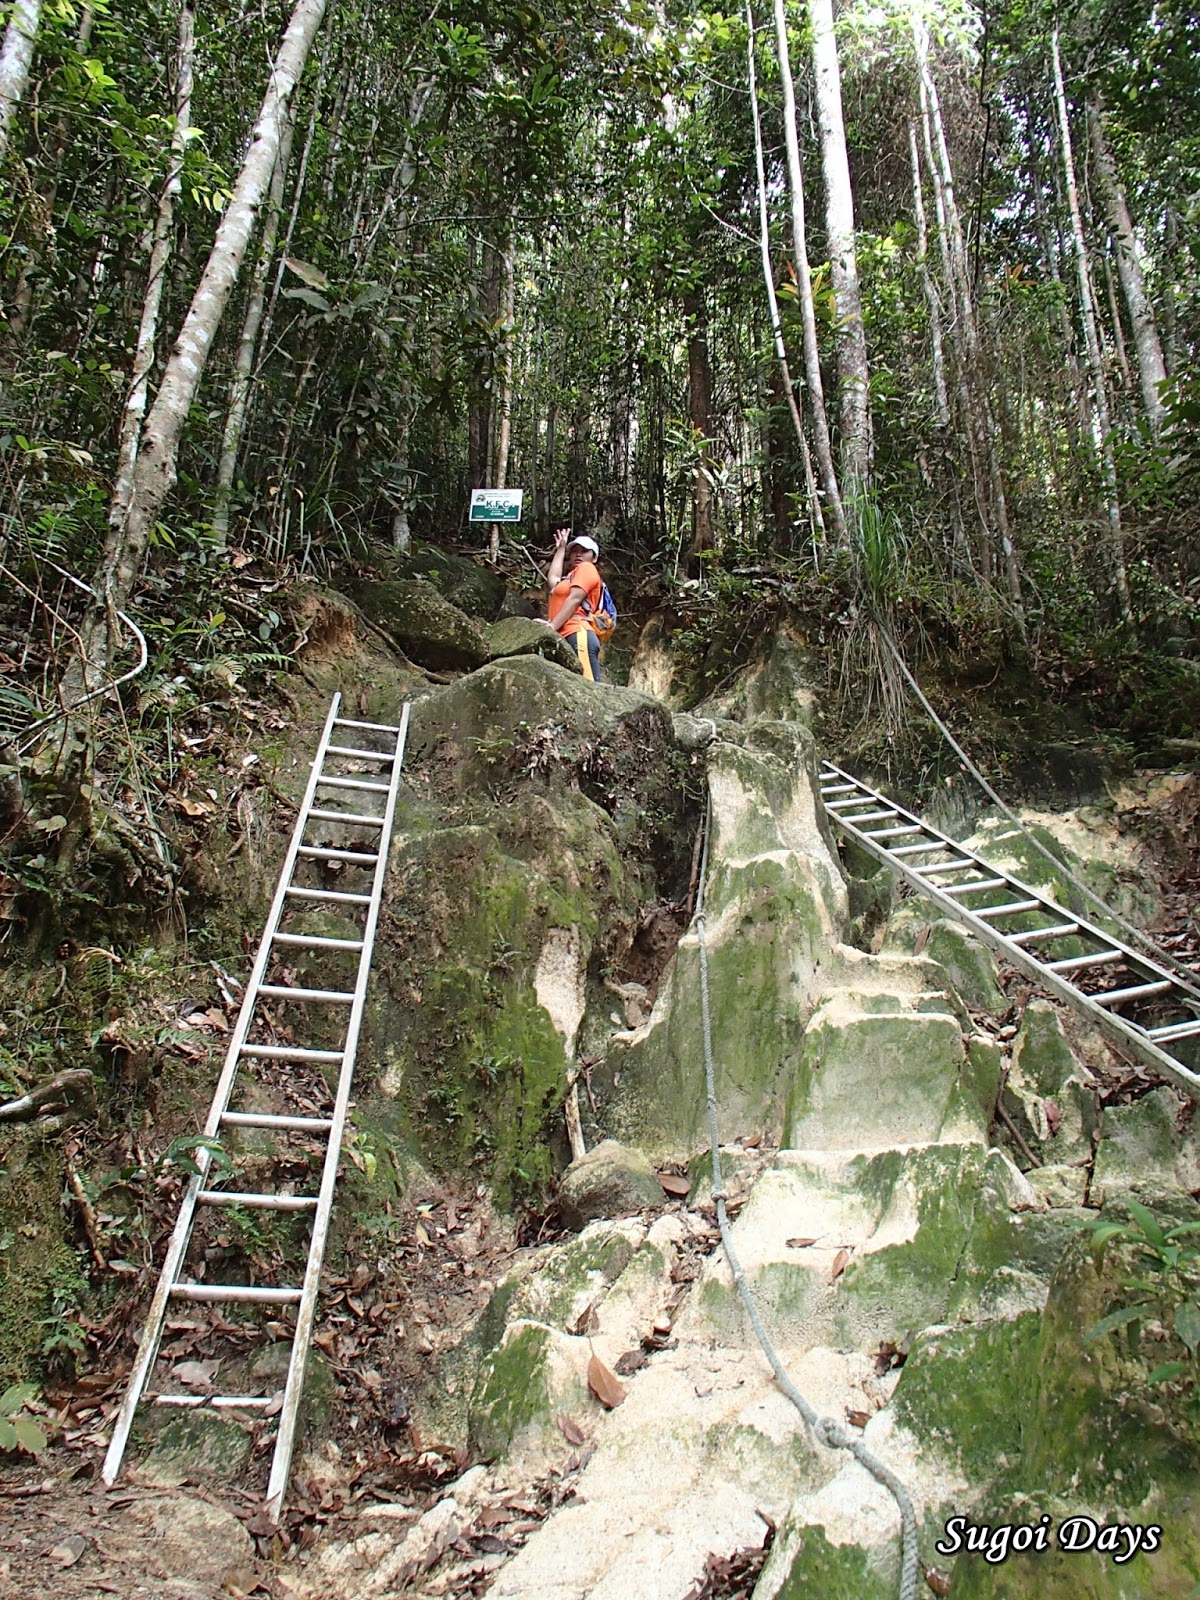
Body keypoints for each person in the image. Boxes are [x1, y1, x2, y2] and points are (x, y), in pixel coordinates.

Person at [540, 526, 605, 682]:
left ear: (594, 558)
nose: (578, 554)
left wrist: (552, 626)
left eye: (584, 551)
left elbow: (575, 598)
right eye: (574, 551)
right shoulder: (570, 577)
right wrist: (561, 549)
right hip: (566, 634)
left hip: (577, 632)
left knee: (589, 686)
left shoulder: (587, 568)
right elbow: (553, 580)